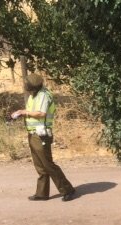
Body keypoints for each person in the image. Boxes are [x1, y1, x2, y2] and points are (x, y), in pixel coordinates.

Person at [11, 73, 76, 202]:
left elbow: (41, 113)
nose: (25, 85)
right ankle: (42, 193)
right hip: (33, 133)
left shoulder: (43, 95)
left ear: (33, 86)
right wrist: (21, 113)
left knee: (48, 165)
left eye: (27, 84)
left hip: (41, 135)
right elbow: (33, 111)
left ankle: (67, 189)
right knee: (40, 165)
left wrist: (23, 112)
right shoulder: (34, 95)